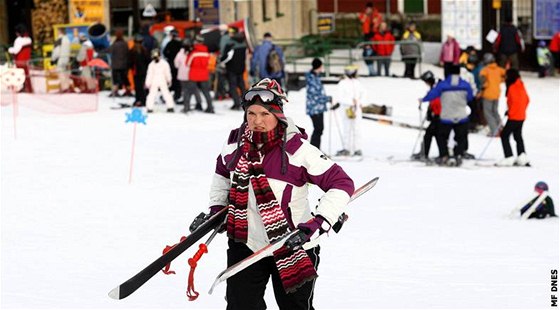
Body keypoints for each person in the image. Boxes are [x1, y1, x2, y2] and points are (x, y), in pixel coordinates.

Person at [189, 78, 355, 310]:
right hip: (246, 243)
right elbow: (222, 176)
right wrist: (216, 210)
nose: (257, 121)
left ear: (278, 114)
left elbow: (341, 183)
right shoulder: (233, 148)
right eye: (251, 114)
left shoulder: (298, 151)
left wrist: (320, 221)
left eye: (265, 114)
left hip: (293, 244)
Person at [422, 65, 473, 166]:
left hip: (446, 116)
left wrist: (423, 99)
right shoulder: (466, 84)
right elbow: (470, 97)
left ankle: (444, 156)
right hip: (461, 115)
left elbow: (432, 95)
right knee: (461, 137)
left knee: (441, 136)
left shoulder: (442, 85)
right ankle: (458, 155)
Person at [496, 68, 530, 167]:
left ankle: (509, 156)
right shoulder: (521, 85)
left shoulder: (512, 87)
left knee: (504, 135)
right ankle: (522, 156)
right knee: (518, 136)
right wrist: (519, 110)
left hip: (514, 117)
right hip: (521, 116)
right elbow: (527, 100)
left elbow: (514, 102)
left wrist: (511, 112)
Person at [335, 65, 365, 157]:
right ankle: (346, 148)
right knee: (346, 129)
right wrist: (351, 101)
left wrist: (359, 102)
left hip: (357, 109)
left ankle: (357, 149)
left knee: (357, 129)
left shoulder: (358, 83)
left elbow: (363, 95)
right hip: (346, 109)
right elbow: (340, 97)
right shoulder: (342, 83)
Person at [414, 70, 442, 161]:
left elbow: (435, 101)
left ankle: (424, 154)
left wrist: (430, 110)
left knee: (429, 135)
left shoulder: (436, 88)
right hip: (438, 115)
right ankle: (442, 154)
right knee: (437, 135)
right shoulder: (436, 86)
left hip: (439, 115)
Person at [305, 58, 331, 150]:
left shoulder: (315, 77)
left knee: (319, 129)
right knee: (318, 129)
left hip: (318, 108)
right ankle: (313, 150)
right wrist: (327, 99)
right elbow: (316, 95)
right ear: (319, 66)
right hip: (314, 108)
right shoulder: (312, 79)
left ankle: (315, 150)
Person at [220, 27, 247, 110]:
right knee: (242, 86)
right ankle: (246, 103)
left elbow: (227, 57)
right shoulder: (243, 43)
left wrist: (221, 61)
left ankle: (236, 104)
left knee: (233, 86)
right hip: (241, 68)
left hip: (232, 69)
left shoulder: (230, 44)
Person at [479, 53, 506, 137]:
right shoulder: (499, 69)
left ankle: (494, 131)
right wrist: (500, 80)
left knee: (488, 113)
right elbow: (506, 76)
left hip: (487, 94)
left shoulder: (485, 70)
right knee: (495, 111)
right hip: (497, 93)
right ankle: (501, 128)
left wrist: (483, 88)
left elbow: (483, 81)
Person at [185, 36, 214, 113]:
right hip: (204, 75)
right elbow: (209, 63)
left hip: (193, 75)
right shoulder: (207, 53)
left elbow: (187, 63)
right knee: (206, 92)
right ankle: (210, 108)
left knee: (189, 91)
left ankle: (186, 107)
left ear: (196, 42)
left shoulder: (194, 53)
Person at [174, 38, 202, 113]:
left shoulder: (180, 54)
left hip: (182, 75)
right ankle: (199, 104)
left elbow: (176, 64)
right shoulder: (193, 53)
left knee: (185, 91)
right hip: (191, 74)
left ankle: (186, 107)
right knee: (195, 89)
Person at [145, 49, 175, 113]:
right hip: (161, 80)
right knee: (165, 94)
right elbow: (167, 73)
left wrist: (147, 83)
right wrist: (169, 80)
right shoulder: (164, 63)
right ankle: (170, 106)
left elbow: (150, 74)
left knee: (154, 94)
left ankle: (150, 107)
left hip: (156, 81)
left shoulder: (152, 64)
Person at [8, 24, 33, 92]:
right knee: (26, 74)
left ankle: (22, 87)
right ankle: (28, 87)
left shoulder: (18, 40)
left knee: (19, 74)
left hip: (20, 60)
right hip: (26, 60)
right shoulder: (28, 39)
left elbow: (16, 51)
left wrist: (9, 49)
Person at [108, 29, 131, 97]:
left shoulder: (115, 44)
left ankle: (115, 91)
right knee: (125, 78)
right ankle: (128, 90)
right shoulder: (125, 44)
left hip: (115, 65)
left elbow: (109, 50)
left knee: (115, 79)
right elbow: (127, 53)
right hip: (124, 65)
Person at [128, 34, 150, 107]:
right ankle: (143, 100)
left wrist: (130, 68)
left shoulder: (132, 51)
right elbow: (148, 61)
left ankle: (138, 99)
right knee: (142, 86)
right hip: (143, 71)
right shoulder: (145, 51)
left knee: (138, 86)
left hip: (136, 71)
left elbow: (129, 62)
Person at [163, 29, 183, 103]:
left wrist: (169, 57)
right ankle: (177, 95)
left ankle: (167, 95)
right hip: (179, 66)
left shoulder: (170, 43)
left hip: (171, 64)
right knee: (178, 81)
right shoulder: (180, 44)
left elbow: (165, 53)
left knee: (170, 80)